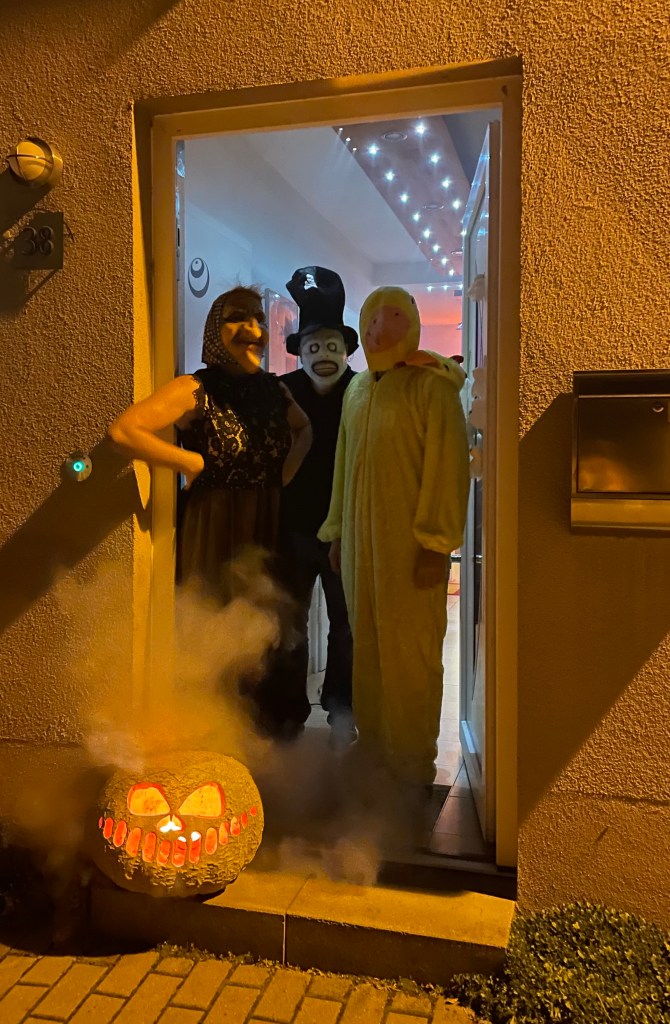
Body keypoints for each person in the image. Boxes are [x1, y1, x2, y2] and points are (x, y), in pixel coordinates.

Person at [108, 285, 313, 731]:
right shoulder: (195, 388)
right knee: (215, 626)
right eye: (238, 317)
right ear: (214, 329)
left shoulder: (274, 390)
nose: (253, 328)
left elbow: (304, 430)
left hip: (268, 524)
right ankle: (210, 735)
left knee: (272, 630)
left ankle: (267, 743)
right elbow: (124, 431)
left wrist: (284, 475)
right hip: (214, 526)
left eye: (259, 318)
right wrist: (189, 463)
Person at [318, 285, 470, 791]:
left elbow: (447, 467)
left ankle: (411, 763)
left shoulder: (433, 388)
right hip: (360, 549)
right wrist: (337, 533)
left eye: (393, 318)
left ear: (412, 323)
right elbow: (343, 466)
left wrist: (436, 543)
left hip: (411, 550)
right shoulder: (358, 390)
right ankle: (376, 748)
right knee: (367, 648)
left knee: (411, 656)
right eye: (373, 319)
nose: (381, 329)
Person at [277, 267, 358, 749]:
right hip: (293, 528)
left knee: (345, 625)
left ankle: (342, 709)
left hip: (347, 530)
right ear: (301, 351)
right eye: (313, 347)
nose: (323, 356)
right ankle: (289, 710)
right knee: (290, 621)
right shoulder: (282, 392)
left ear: (346, 350)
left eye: (331, 346)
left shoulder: (363, 394)